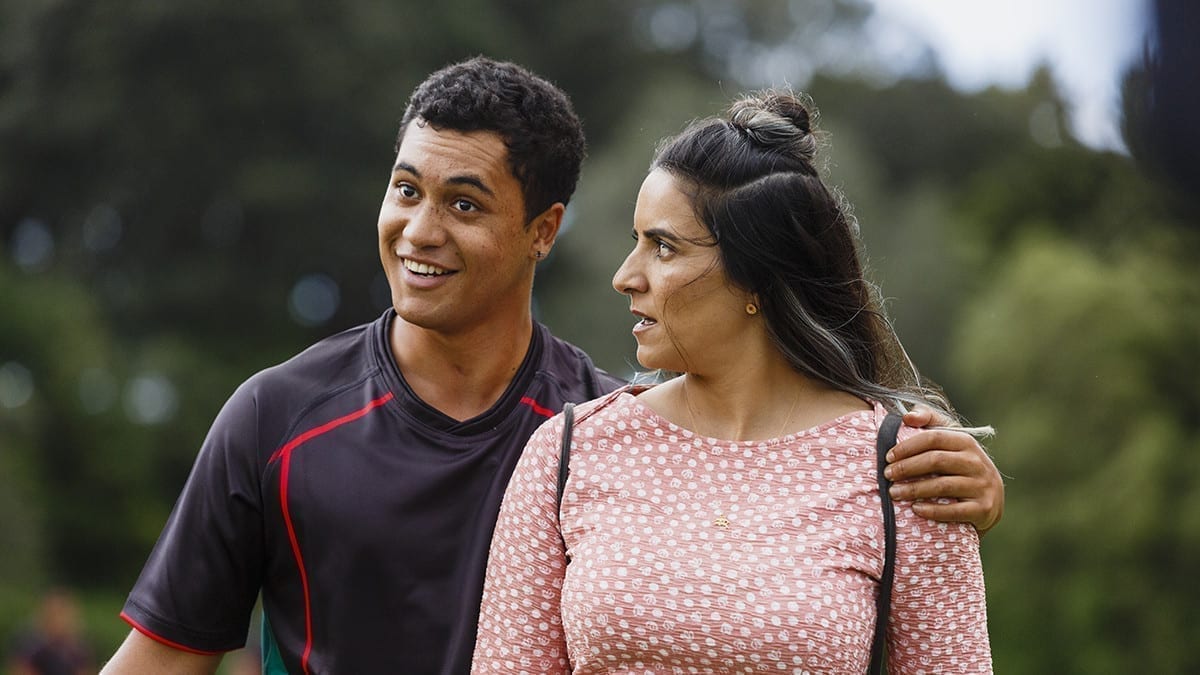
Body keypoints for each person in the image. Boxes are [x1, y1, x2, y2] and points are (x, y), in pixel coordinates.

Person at [102, 58, 1001, 674]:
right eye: (406, 190)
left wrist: (968, 494)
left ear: (543, 231)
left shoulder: (599, 433)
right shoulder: (278, 419)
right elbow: (163, 657)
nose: (419, 230)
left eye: (463, 204)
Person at [472, 90, 992, 673]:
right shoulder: (569, 452)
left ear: (755, 276)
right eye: (635, 242)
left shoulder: (906, 467)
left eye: (663, 247)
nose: (625, 276)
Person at [7, 589, 94, 675]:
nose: (59, 620)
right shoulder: (31, 648)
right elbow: (21, 669)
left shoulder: (78, 651)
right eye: (54, 615)